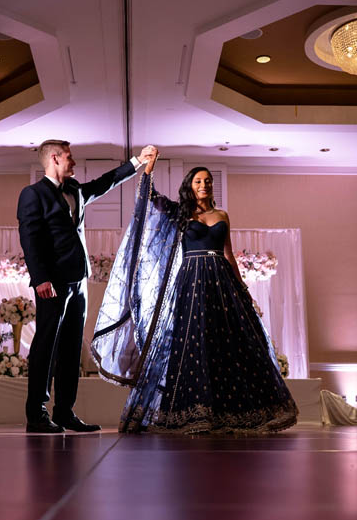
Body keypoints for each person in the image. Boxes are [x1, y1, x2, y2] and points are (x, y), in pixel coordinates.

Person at [92, 150, 298, 434]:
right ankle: (190, 411)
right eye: (199, 181)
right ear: (190, 185)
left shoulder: (222, 215)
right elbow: (149, 198)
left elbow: (228, 255)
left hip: (221, 284)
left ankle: (231, 412)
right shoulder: (180, 214)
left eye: (208, 181)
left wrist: (242, 288)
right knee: (191, 342)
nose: (204, 185)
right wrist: (148, 169)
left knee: (226, 343)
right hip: (190, 283)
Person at [17, 140, 156, 433]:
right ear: (54, 158)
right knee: (46, 346)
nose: (74, 162)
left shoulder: (75, 190)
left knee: (70, 348)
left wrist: (137, 162)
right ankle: (36, 414)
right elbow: (30, 239)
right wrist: (40, 278)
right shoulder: (32, 195)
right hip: (51, 283)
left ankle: (65, 411)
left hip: (78, 280)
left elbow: (106, 182)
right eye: (69, 157)